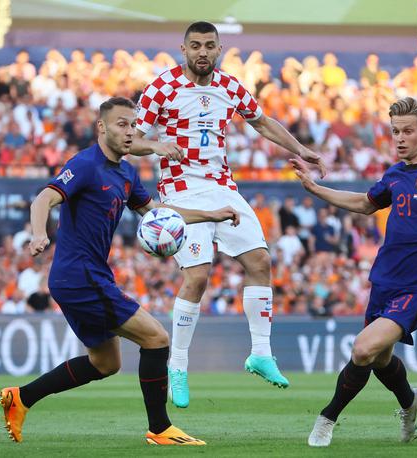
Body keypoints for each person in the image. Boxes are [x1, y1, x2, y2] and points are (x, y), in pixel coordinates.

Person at [0, 97, 241, 446]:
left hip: (86, 277)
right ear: (102, 127)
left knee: (105, 363)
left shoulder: (127, 173)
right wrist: (40, 233)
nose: (130, 132)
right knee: (157, 339)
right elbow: (43, 199)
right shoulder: (85, 165)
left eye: (133, 125)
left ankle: (20, 398)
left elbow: (158, 212)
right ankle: (160, 429)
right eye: (121, 124)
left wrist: (211, 214)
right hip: (80, 277)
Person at [130, 21, 326, 408]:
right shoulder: (161, 87)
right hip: (182, 190)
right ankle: (179, 367)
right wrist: (156, 145)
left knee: (260, 261)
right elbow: (131, 139)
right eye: (195, 45)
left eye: (209, 45)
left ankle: (261, 354)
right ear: (183, 49)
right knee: (198, 275)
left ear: (219, 49)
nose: (202, 52)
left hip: (223, 186)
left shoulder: (230, 86)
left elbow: (263, 123)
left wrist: (301, 149)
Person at [296, 97, 417, 446]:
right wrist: (316, 189)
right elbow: (366, 204)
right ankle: (410, 403)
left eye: (408, 131)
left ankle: (326, 419)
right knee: (380, 358)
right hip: (385, 280)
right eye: (395, 131)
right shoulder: (395, 173)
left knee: (363, 349)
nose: (399, 138)